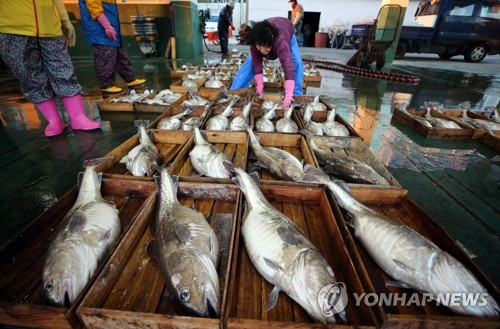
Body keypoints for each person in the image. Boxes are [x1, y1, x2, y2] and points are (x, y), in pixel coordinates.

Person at [0, 0, 101, 137]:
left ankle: (78, 117)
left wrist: (65, 19)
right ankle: (54, 121)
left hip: (49, 26)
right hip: (12, 29)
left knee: (63, 69)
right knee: (29, 75)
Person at [230, 17, 304, 108]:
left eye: (265, 47)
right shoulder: (255, 40)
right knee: (250, 62)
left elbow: (288, 66)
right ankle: (235, 91)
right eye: (259, 46)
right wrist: (259, 88)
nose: (261, 50)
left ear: (271, 42)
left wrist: (288, 95)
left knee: (296, 62)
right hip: (266, 29)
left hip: (287, 29)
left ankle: (295, 94)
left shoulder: (280, 42)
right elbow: (256, 64)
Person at [79, 0, 146, 93]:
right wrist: (106, 25)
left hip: (110, 21)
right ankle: (106, 85)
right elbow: (93, 5)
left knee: (119, 54)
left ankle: (130, 78)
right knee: (105, 56)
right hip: (99, 25)